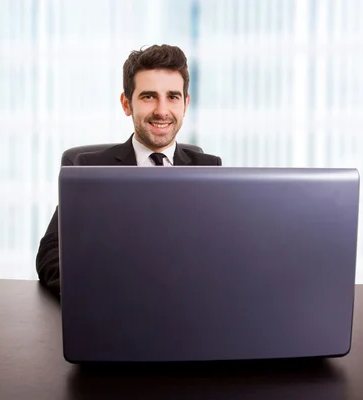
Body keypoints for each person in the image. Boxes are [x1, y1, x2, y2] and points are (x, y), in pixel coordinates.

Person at [35, 44, 222, 296]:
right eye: (148, 96)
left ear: (185, 104)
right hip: (113, 311)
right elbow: (50, 255)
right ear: (126, 103)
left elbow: (222, 256)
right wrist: (111, 291)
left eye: (172, 97)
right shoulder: (89, 169)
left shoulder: (210, 170)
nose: (162, 110)